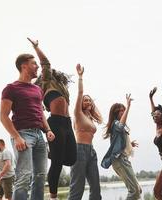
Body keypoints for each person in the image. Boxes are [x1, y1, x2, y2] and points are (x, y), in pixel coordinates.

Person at [0, 52, 55, 200]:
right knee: (24, 176)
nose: (37, 66)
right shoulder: (11, 88)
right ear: (24, 66)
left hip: (39, 135)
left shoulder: (37, 90)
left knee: (40, 176)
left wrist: (48, 129)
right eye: (34, 63)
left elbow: (40, 113)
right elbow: (3, 116)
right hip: (23, 135)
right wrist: (16, 137)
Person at [27, 38, 77, 200]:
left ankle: (51, 153)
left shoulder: (61, 86)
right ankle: (53, 197)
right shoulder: (44, 83)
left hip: (67, 123)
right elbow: (46, 64)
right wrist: (37, 48)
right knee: (56, 164)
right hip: (54, 123)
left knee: (71, 158)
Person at [68, 64, 103, 200]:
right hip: (79, 150)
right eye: (85, 100)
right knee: (77, 187)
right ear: (81, 103)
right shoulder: (78, 114)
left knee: (96, 187)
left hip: (91, 151)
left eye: (89, 100)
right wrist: (80, 77)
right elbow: (80, 93)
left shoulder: (90, 118)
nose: (87, 101)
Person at [101, 94, 141, 200]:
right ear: (115, 113)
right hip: (119, 160)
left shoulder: (118, 126)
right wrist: (128, 107)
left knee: (138, 189)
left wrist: (129, 144)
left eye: (124, 110)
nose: (123, 112)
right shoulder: (115, 123)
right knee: (134, 191)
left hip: (124, 160)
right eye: (121, 111)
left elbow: (120, 141)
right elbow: (120, 126)